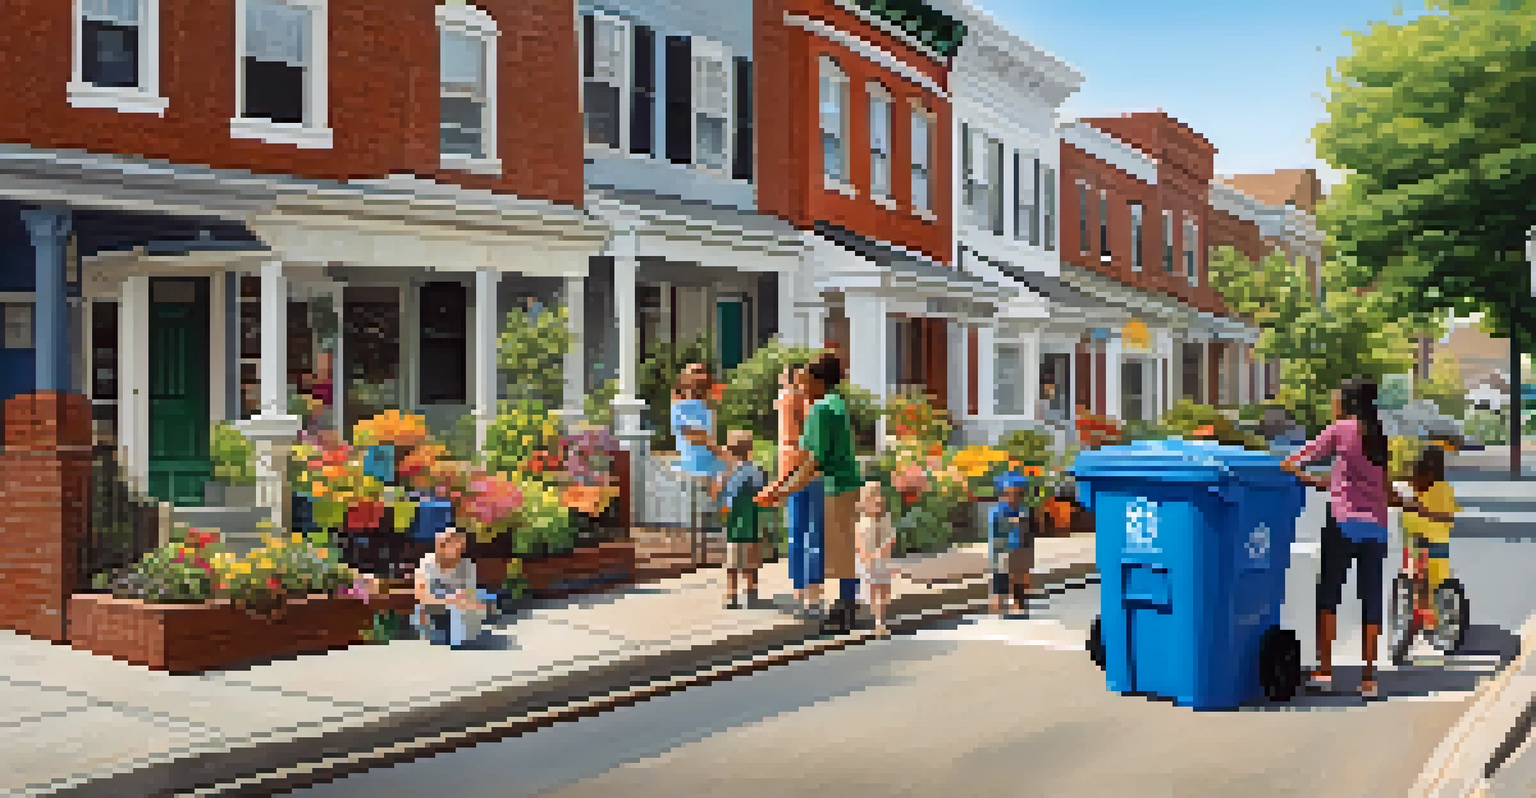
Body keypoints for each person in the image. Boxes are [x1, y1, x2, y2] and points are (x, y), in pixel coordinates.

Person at [1282, 379, 1396, 698]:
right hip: (1375, 527)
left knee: (1329, 594)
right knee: (1370, 597)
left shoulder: (1340, 430)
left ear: (1346, 402)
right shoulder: (1379, 436)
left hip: (1343, 522)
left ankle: (1325, 672)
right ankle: (1369, 678)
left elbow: (1293, 461)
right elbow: (1384, 489)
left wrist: (1308, 479)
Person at [801, 352, 863, 634]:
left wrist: (778, 490)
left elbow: (813, 459)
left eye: (804, 380)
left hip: (835, 484)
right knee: (844, 547)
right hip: (847, 483)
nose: (801, 385)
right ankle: (847, 603)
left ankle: (844, 608)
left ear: (817, 380)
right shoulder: (836, 404)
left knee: (837, 549)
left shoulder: (821, 409)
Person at [1399, 442, 1461, 614]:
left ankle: (1423, 613)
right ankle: (1425, 612)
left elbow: (1445, 515)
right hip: (1431, 539)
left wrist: (1422, 511)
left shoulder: (1430, 487)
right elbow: (1449, 516)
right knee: (1430, 578)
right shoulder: (1441, 488)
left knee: (1421, 577)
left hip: (1423, 538)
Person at [671, 364, 722, 565]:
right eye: (694, 371)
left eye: (701, 371)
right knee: (696, 509)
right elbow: (691, 434)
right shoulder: (679, 406)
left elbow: (710, 433)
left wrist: (717, 451)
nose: (698, 375)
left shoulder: (708, 405)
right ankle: (696, 556)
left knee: (711, 508)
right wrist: (719, 449)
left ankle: (709, 555)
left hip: (711, 460)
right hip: (692, 460)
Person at [411, 527, 488, 649]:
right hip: (431, 617)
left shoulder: (467, 566)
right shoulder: (427, 563)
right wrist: (450, 599)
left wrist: (465, 600)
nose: (440, 548)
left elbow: (470, 596)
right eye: (441, 544)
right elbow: (421, 595)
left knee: (481, 597)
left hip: (457, 618)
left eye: (451, 544)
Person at [718, 429, 766, 609]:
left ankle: (731, 594)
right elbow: (761, 492)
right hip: (752, 521)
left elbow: (722, 497)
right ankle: (751, 591)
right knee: (751, 561)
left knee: (732, 562)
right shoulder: (756, 471)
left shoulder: (727, 473)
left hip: (733, 523)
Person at [988, 472, 1034, 617]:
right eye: (1011, 493)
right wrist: (1011, 522)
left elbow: (1027, 530)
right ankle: (998, 603)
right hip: (1003, 548)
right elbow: (996, 529)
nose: (1014, 497)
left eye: (1018, 493)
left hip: (1019, 547)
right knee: (1002, 575)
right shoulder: (998, 510)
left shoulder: (1021, 509)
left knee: (1018, 577)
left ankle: (1018, 603)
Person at [855, 481, 896, 636]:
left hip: (882, 560)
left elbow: (891, 537)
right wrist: (864, 555)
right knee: (872, 589)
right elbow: (858, 540)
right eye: (873, 496)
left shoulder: (885, 518)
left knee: (883, 589)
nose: (878, 500)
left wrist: (883, 550)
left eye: (879, 495)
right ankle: (876, 620)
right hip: (868, 561)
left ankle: (880, 619)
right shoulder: (862, 520)